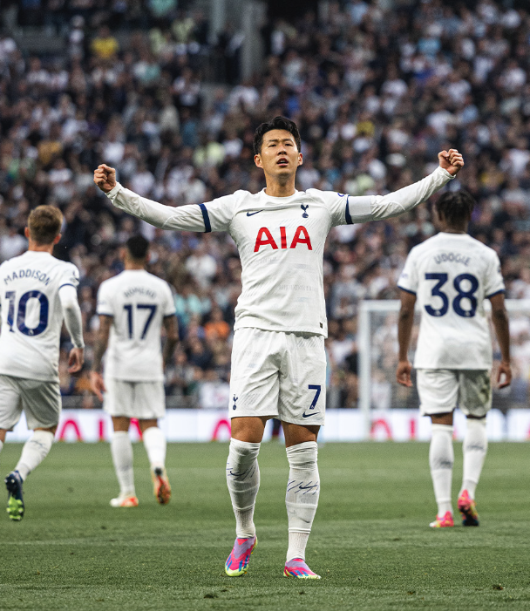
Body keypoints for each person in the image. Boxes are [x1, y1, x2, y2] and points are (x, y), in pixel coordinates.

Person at [94, 115, 464, 578]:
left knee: (303, 451)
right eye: (273, 144)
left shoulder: (322, 204)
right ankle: (244, 532)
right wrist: (116, 192)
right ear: (259, 159)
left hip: (307, 338)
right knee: (242, 447)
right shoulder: (239, 207)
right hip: (255, 335)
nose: (282, 149)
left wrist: (440, 176)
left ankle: (295, 556)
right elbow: (170, 216)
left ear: (300, 156)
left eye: (288, 143)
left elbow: (388, 204)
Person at [396, 190, 511, 528]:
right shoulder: (485, 254)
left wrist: (402, 356)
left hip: (435, 351)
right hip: (474, 349)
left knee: (441, 426)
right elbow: (499, 311)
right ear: (470, 217)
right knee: (476, 420)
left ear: (439, 216)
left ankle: (444, 510)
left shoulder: (421, 253)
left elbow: (405, 309)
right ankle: (468, 493)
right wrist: (505, 358)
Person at [0, 205, 84, 521]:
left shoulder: (6, 268)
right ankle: (19, 474)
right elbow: (70, 305)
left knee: (0, 429)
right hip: (39, 363)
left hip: (5, 360)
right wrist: (78, 344)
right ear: (58, 237)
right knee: (45, 428)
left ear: (27, 233)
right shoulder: (63, 269)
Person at [90, 235, 178, 508]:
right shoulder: (161, 288)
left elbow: (103, 332)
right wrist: (163, 360)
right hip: (150, 363)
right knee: (150, 423)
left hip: (119, 365)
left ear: (123, 254)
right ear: (148, 256)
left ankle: (127, 493)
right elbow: (173, 335)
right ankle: (157, 464)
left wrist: (94, 368)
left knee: (120, 426)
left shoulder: (110, 287)